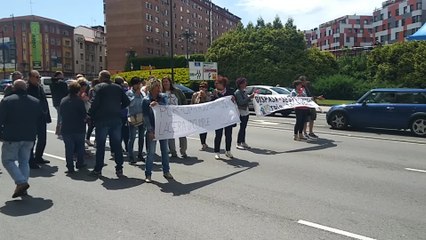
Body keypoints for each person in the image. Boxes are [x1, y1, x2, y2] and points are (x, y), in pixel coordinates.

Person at [0, 80, 43, 198]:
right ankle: (22, 187)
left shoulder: (7, 101)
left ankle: (21, 182)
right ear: (25, 88)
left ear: (14, 88)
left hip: (12, 136)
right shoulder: (35, 101)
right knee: (24, 161)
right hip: (29, 136)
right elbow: (40, 118)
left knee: (7, 160)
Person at [88, 70, 130, 177]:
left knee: (101, 145)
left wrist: (90, 114)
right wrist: (118, 108)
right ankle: (119, 168)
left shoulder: (99, 87)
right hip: (116, 118)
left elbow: (95, 103)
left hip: (102, 119)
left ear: (101, 77)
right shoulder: (117, 87)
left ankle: (98, 168)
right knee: (117, 145)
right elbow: (127, 101)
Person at [142, 78, 173, 183]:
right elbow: (145, 117)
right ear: (151, 88)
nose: (159, 88)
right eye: (156, 86)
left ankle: (166, 171)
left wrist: (158, 105)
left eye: (159, 86)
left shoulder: (163, 97)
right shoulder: (146, 100)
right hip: (153, 129)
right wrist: (150, 130)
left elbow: (166, 109)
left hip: (163, 129)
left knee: (165, 151)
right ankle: (148, 174)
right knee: (150, 152)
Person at [59, 81, 87, 174]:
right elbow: (84, 114)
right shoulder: (79, 101)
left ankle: (70, 166)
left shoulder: (63, 100)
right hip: (79, 127)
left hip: (66, 127)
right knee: (80, 146)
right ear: (78, 91)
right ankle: (80, 163)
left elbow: (61, 113)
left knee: (69, 148)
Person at [27, 70, 52, 169]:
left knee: (42, 139)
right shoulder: (27, 88)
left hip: (42, 117)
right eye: (36, 77)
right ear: (30, 77)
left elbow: (44, 101)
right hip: (32, 118)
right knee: (31, 140)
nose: (38, 79)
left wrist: (47, 116)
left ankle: (38, 157)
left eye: (39, 77)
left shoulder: (39, 87)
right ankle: (30, 160)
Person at [161, 76, 188, 158]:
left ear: (170, 82)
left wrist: (183, 110)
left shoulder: (177, 91)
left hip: (179, 115)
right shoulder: (161, 92)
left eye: (167, 81)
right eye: (164, 82)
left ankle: (183, 151)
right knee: (170, 135)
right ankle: (173, 152)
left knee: (182, 134)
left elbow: (183, 100)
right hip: (167, 117)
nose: (165, 83)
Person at [211, 76, 235, 160]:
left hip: (228, 117)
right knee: (218, 135)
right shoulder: (214, 93)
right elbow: (212, 104)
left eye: (217, 83)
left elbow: (234, 102)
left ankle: (228, 151)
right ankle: (217, 152)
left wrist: (233, 99)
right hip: (218, 117)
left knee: (228, 135)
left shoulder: (230, 91)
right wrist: (215, 96)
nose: (216, 85)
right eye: (215, 83)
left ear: (223, 84)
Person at [126, 77, 147, 164]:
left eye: (139, 84)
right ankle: (130, 156)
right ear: (133, 85)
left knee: (141, 137)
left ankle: (140, 154)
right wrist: (135, 95)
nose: (138, 86)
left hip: (142, 116)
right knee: (132, 137)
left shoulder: (142, 93)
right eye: (137, 84)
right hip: (133, 117)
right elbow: (130, 104)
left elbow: (145, 102)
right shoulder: (129, 93)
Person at [234, 77, 255, 150]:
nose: (245, 84)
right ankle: (238, 142)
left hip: (246, 111)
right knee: (242, 127)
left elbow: (246, 100)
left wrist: (250, 97)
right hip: (241, 111)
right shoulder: (238, 92)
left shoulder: (244, 91)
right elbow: (241, 102)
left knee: (244, 127)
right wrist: (249, 98)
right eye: (244, 83)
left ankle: (243, 141)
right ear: (240, 84)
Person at [191, 81, 211, 151]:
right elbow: (193, 104)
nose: (201, 88)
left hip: (205, 114)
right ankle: (203, 143)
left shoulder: (209, 94)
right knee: (200, 129)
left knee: (204, 129)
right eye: (200, 87)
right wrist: (199, 97)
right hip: (198, 114)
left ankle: (204, 143)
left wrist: (204, 96)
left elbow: (210, 102)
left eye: (203, 87)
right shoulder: (195, 94)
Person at [50, 71, 69, 138]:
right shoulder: (62, 83)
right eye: (62, 75)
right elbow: (66, 92)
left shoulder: (52, 83)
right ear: (58, 76)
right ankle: (60, 131)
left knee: (60, 115)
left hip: (55, 101)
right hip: (62, 101)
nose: (63, 76)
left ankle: (58, 131)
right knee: (61, 117)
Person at [115, 76, 130, 154]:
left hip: (115, 114)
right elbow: (127, 101)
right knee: (125, 132)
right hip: (124, 113)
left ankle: (116, 148)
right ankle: (127, 147)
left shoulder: (113, 90)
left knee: (117, 131)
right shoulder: (125, 91)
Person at [85, 79, 100, 146]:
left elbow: (89, 99)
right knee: (97, 126)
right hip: (96, 109)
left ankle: (87, 138)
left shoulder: (91, 90)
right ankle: (96, 141)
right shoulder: (96, 90)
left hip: (91, 109)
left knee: (91, 126)